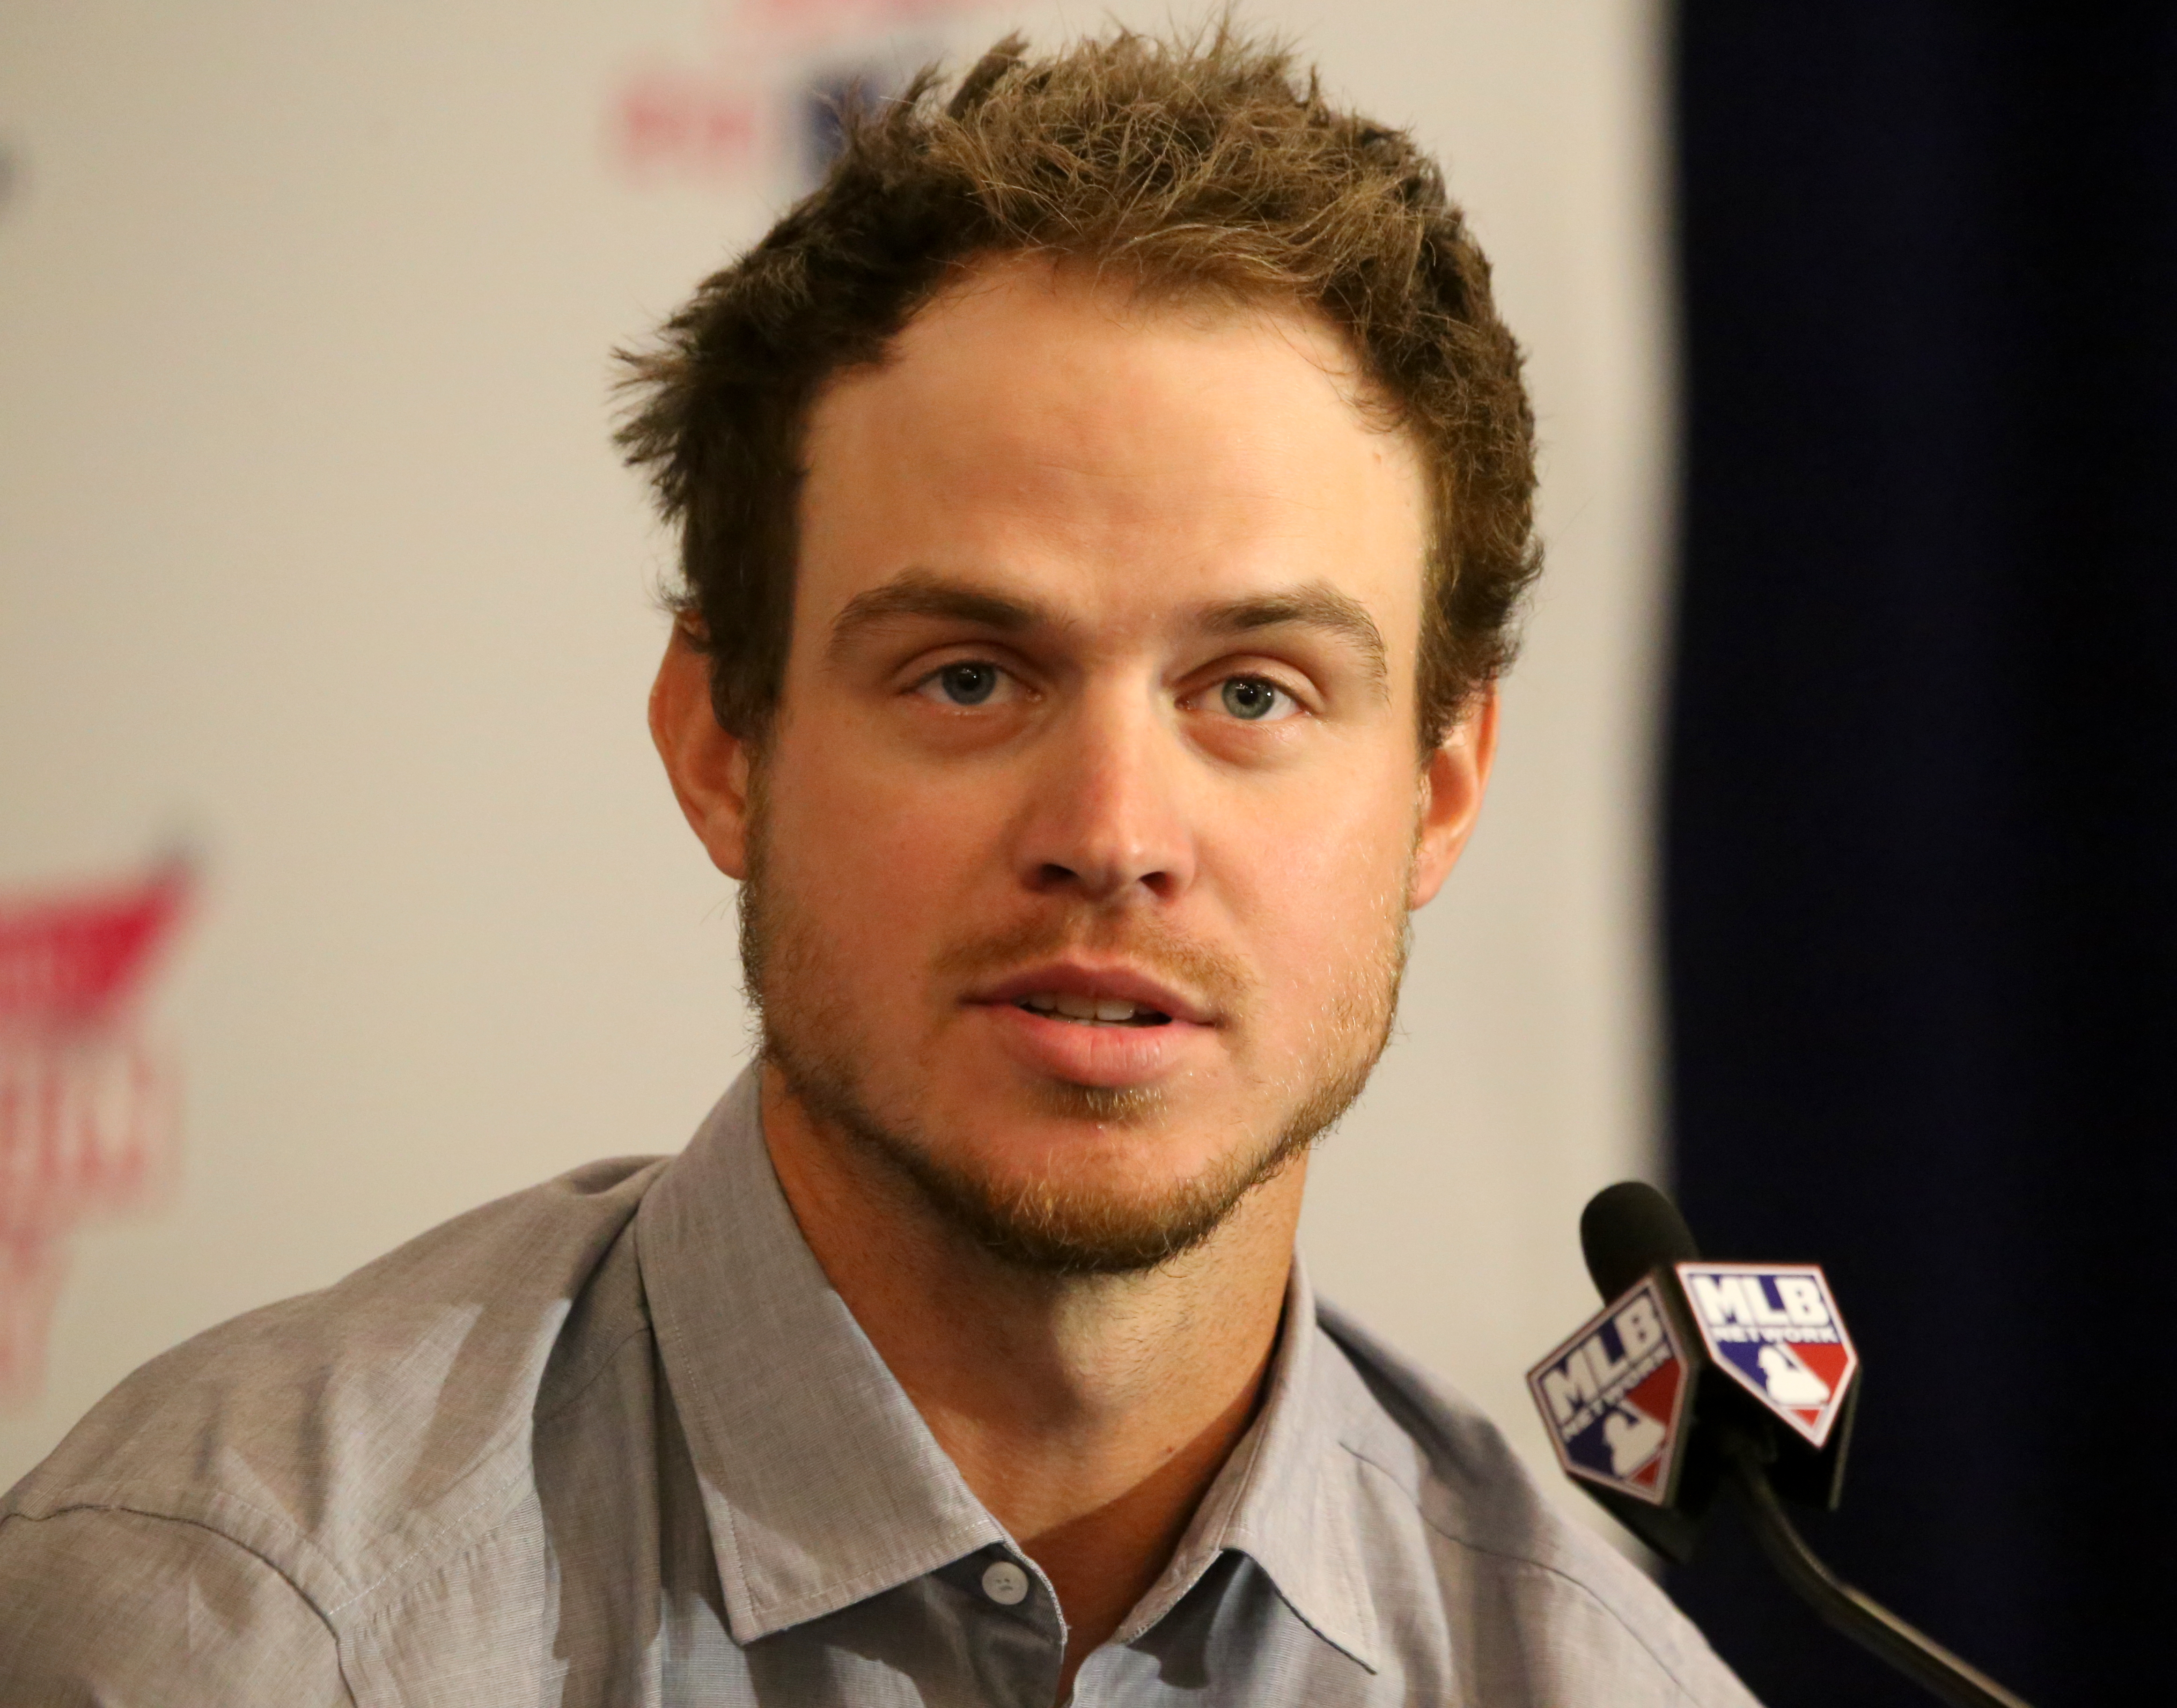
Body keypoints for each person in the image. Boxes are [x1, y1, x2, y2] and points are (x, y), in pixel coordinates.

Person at [0, 27, 1758, 1707]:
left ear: (1442, 789)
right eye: (971, 678)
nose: (1115, 837)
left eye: (1250, 692)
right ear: (722, 743)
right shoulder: (247, 1626)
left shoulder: (1593, 1678)